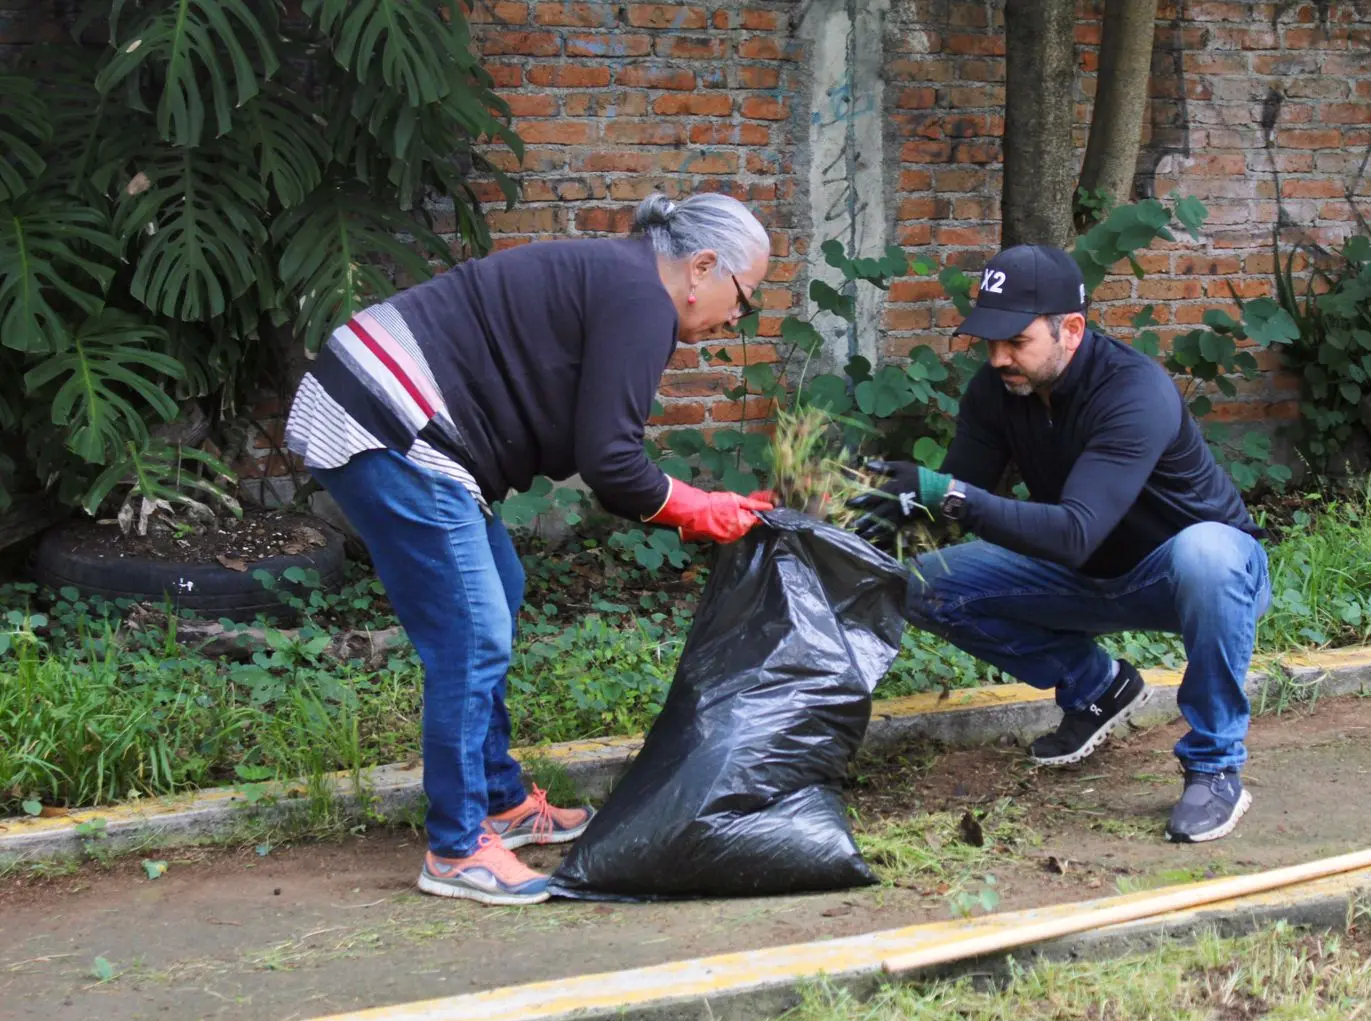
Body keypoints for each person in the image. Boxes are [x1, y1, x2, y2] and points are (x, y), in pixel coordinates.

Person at [284, 193, 775, 904]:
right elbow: (611, 464)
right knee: (474, 631)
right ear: (704, 267)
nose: (737, 317)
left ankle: (499, 800)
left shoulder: (625, 281)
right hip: (390, 415)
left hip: (394, 408)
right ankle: (456, 849)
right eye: (745, 297)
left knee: (498, 591)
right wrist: (698, 509)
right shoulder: (642, 299)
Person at [849, 244, 1272, 843]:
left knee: (1209, 552)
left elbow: (1070, 529)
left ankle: (1215, 767)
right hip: (1085, 576)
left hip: (1188, 575)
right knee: (921, 584)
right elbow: (951, 503)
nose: (998, 358)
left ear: (1070, 329)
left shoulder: (1133, 392)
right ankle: (1096, 687)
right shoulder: (996, 392)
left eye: (1015, 341)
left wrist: (950, 495)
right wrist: (865, 506)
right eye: (988, 342)